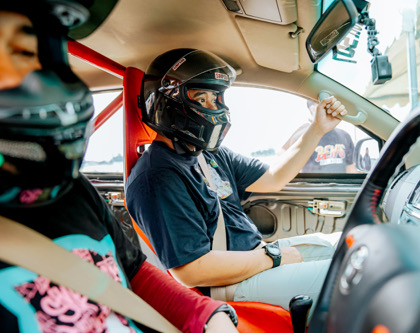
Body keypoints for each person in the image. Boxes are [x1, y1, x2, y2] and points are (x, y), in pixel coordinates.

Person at [0, 3, 238, 333]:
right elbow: (190, 269)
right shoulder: (157, 174)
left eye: (26, 52)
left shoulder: (71, 189)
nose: (21, 78)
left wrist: (208, 315)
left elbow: (135, 271)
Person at [125, 48, 348, 317]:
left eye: (216, 98)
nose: (213, 108)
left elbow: (274, 177)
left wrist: (317, 129)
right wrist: (273, 258)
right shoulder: (157, 176)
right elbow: (191, 270)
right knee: (356, 277)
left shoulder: (209, 154)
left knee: (354, 245)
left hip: (255, 258)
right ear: (168, 103)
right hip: (230, 283)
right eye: (201, 98)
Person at [281, 100, 356, 173]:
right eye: (324, 106)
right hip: (313, 185)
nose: (330, 109)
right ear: (313, 109)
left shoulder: (344, 135)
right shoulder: (301, 137)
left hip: (342, 184)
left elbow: (351, 167)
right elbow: (285, 166)